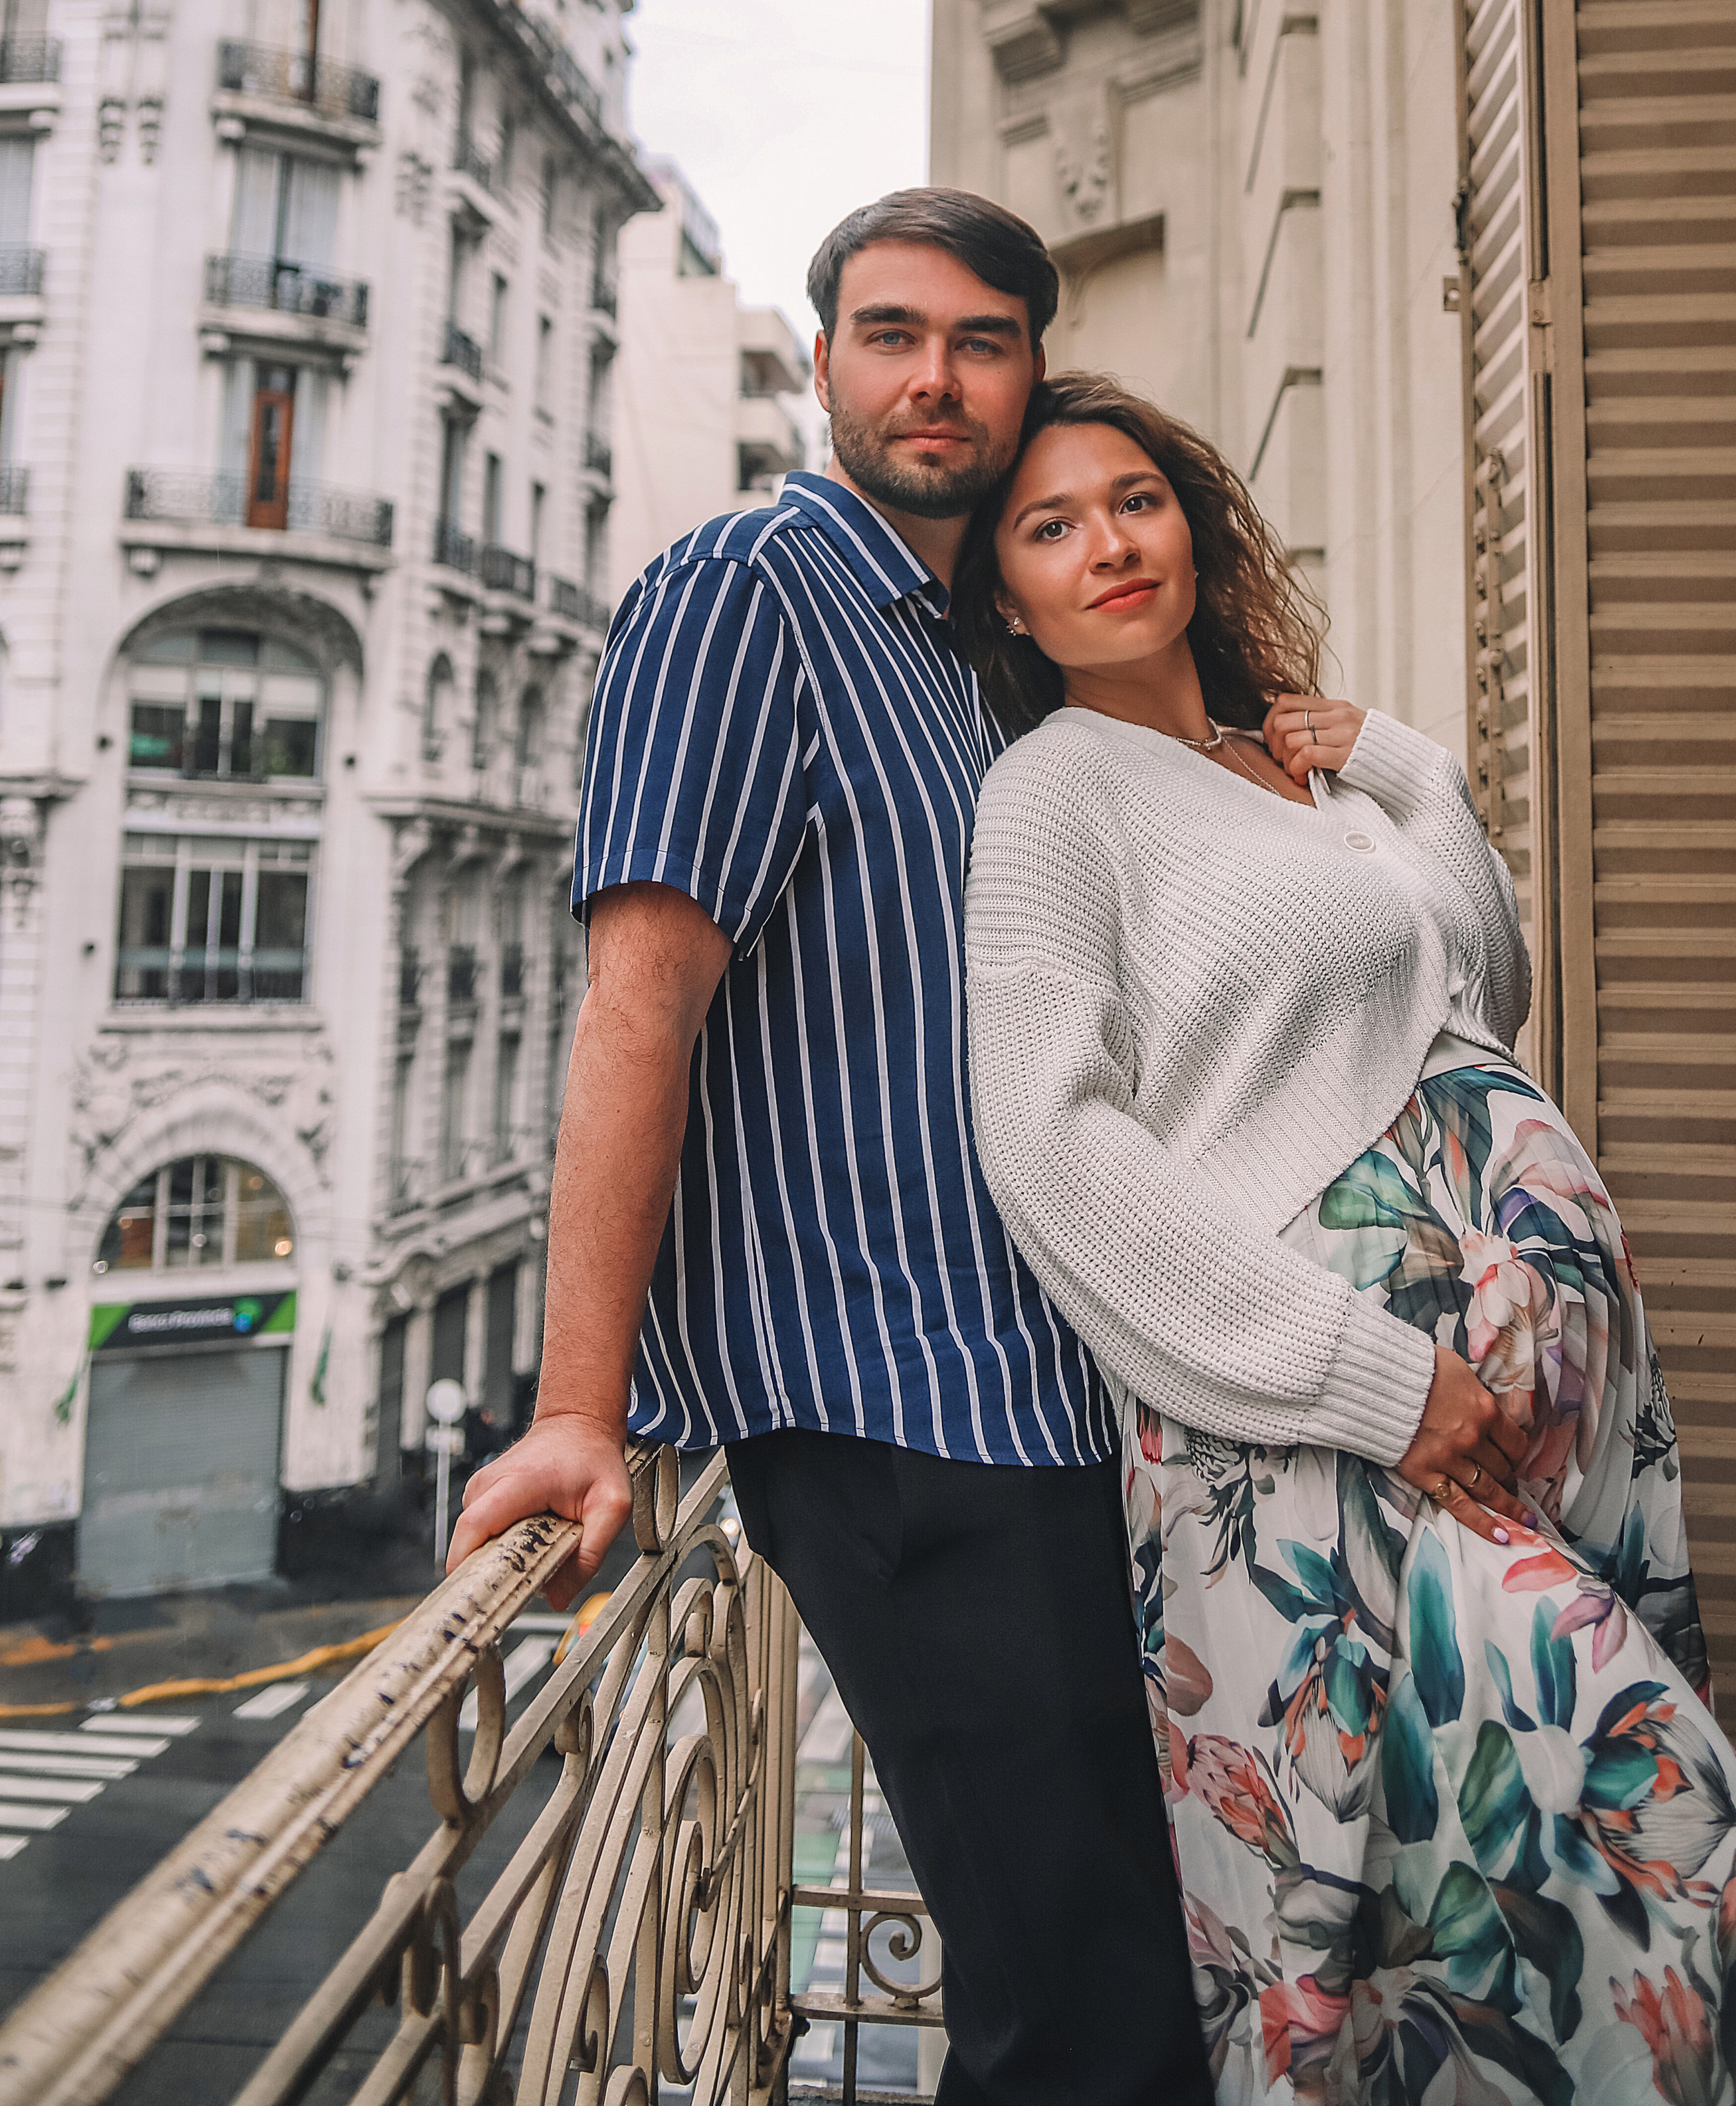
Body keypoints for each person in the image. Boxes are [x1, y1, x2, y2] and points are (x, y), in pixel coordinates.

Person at [447, 196, 1212, 2105]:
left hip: (1038, 1399)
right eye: (892, 333)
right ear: (825, 366)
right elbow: (643, 1000)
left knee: (1106, 1970)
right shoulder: (747, 593)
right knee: (1086, 2019)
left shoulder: (961, 653)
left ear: (1031, 367)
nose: (934, 376)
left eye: (978, 339)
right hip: (887, 1411)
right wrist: (574, 1407)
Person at [956, 370, 1736, 2105]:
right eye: (1049, 526)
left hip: (1530, 1411)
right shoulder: (1051, 797)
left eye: (1135, 500)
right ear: (1004, 594)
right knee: (1643, 1876)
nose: (1107, 544)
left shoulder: (1285, 763)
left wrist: (1398, 766)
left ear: (1193, 519)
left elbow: (1485, 986)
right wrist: (1366, 1378)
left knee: (1501, 1933)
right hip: (1334, 1429)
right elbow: (1044, 1138)